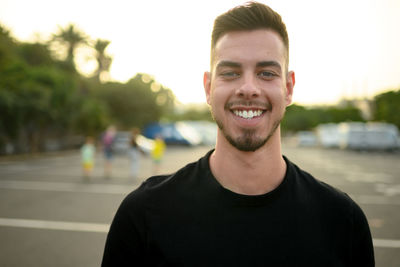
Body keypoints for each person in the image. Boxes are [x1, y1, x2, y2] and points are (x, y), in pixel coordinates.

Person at [102, 2, 375, 266]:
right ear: (208, 88)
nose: (248, 88)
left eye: (266, 73)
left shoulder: (342, 221)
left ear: (289, 88)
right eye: (230, 73)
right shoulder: (143, 215)